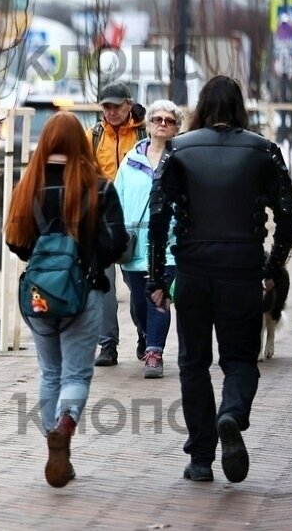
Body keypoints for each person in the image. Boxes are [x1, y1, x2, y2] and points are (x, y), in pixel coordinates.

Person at [146, 76, 292, 483]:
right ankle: (230, 413)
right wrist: (271, 268)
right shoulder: (264, 151)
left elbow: (157, 218)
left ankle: (200, 458)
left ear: (201, 106)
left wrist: (157, 278)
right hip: (242, 270)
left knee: (193, 362)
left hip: (193, 269)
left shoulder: (178, 149)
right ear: (240, 108)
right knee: (240, 360)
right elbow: (288, 217)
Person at [5, 112, 128, 488]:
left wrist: (44, 260)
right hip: (84, 293)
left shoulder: (29, 186)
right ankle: (65, 425)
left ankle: (53, 443)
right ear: (80, 143)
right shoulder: (99, 187)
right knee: (76, 374)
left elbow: (15, 241)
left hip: (39, 295)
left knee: (50, 373)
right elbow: (115, 243)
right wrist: (89, 261)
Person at [114, 100, 184, 378]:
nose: (162, 124)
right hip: (133, 246)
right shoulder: (130, 162)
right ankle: (145, 334)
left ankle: (154, 352)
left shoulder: (182, 162)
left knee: (159, 298)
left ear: (177, 127)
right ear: (148, 125)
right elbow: (116, 199)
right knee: (139, 303)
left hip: (167, 247)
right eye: (157, 119)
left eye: (169, 120)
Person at [86, 81, 147, 367]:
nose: (110, 112)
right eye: (106, 107)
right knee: (103, 285)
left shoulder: (145, 133)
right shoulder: (95, 136)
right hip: (103, 220)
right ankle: (107, 344)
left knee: (138, 282)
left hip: (137, 220)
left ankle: (146, 335)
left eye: (116, 106)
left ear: (128, 104)